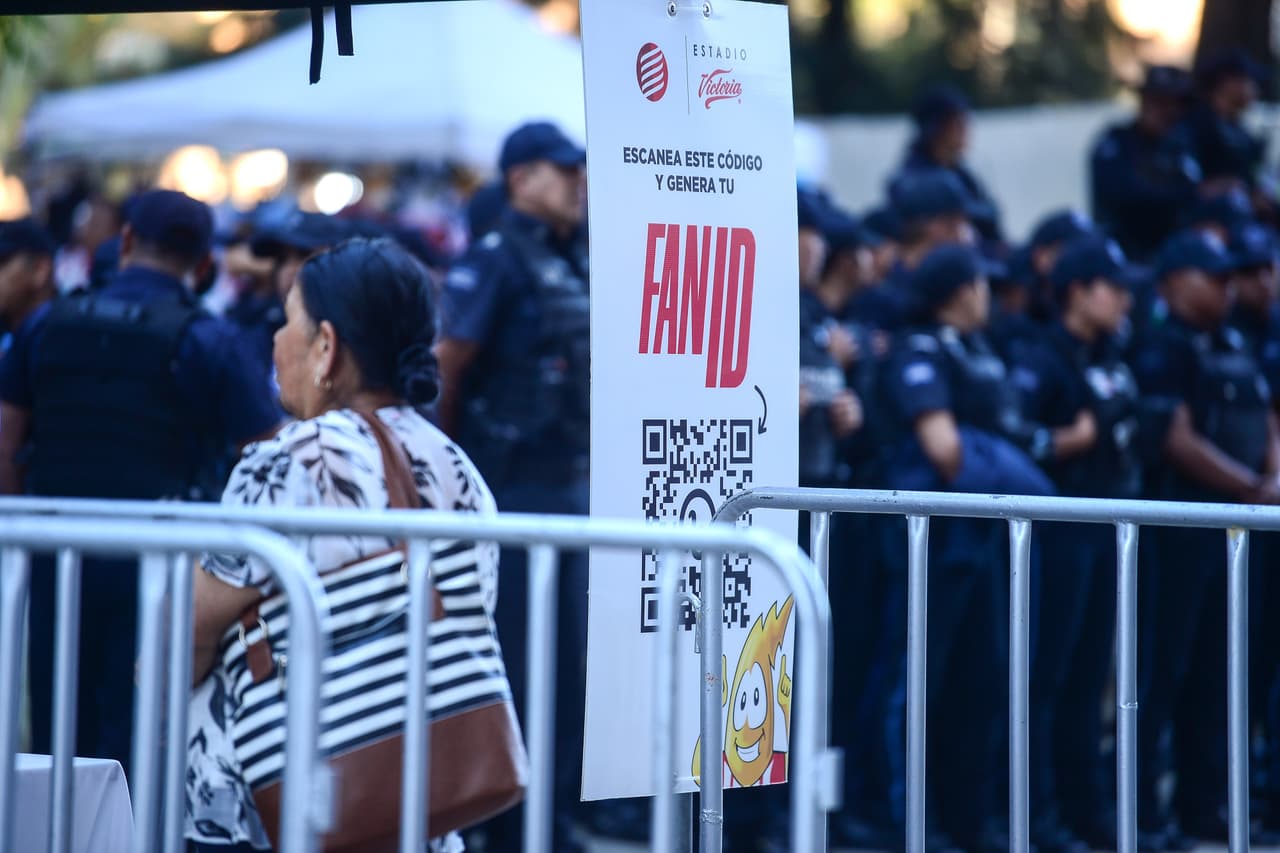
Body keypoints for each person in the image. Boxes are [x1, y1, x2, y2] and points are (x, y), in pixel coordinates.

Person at [186, 237, 478, 853]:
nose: (274, 339)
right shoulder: (457, 466)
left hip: (274, 805)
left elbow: (193, 627)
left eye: (287, 320)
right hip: (414, 804)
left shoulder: (291, 460)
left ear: (326, 345)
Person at [0, 190, 281, 776]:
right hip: (163, 566)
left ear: (125, 240)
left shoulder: (46, 325)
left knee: (58, 736)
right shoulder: (212, 340)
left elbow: (6, 443)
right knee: (142, 742)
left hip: (57, 558)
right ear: (204, 264)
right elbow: (265, 455)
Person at [435, 121, 597, 850]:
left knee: (565, 672)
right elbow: (448, 368)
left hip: (568, 490)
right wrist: (447, 477)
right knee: (521, 670)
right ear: (520, 179)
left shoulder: (575, 254)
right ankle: (505, 828)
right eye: (564, 170)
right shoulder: (496, 258)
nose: (578, 182)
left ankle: (548, 820)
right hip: (511, 495)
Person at [879, 243, 1053, 852]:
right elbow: (944, 449)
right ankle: (910, 825)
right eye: (981, 283)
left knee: (981, 682)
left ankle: (969, 823)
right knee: (917, 686)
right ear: (959, 290)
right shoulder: (920, 350)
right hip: (935, 541)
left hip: (980, 539)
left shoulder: (979, 350)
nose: (989, 295)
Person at [1130, 229, 1280, 847]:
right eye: (1210, 277)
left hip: (1238, 531)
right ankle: (1143, 812)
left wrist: (1270, 478)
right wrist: (1253, 488)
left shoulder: (1234, 342)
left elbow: (1269, 417)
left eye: (1226, 278)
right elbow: (1176, 437)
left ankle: (1205, 805)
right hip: (1182, 532)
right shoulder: (1163, 346)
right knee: (1162, 673)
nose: (1225, 288)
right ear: (1172, 283)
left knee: (1222, 673)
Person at [1020, 236, 1143, 852]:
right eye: (1112, 288)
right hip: (1059, 535)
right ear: (1077, 291)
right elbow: (1016, 440)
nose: (1125, 300)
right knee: (1050, 679)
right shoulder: (1040, 357)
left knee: (1094, 679)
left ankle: (1089, 812)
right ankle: (1040, 818)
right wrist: (1074, 438)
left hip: (1109, 532)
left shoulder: (1114, 353)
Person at [1090, 65, 1200, 262]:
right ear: (1144, 101)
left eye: (1177, 105)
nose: (1170, 112)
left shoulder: (1181, 144)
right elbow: (1127, 197)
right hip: (1126, 253)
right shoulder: (1117, 142)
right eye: (1160, 103)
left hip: (1174, 253)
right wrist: (1182, 192)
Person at [852, 170, 978, 332]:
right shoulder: (883, 292)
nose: (967, 236)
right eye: (960, 224)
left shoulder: (946, 287)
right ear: (936, 227)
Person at [888, 85, 1003, 245]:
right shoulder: (911, 180)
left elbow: (991, 224)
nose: (965, 129)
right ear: (937, 127)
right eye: (957, 123)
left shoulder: (964, 175)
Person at [1178, 49, 1270, 210]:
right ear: (1227, 83)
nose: (1254, 88)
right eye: (1247, 80)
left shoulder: (1241, 133)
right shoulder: (1194, 125)